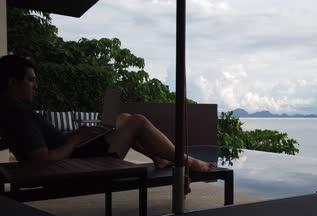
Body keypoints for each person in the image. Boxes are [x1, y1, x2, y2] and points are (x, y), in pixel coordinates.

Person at [0, 55, 215, 175]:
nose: (35, 86)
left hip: (76, 149)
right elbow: (42, 161)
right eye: (30, 80)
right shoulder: (20, 113)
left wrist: (79, 135)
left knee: (122, 116)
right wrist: (75, 139)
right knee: (137, 121)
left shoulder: (13, 111)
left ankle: (158, 157)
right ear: (12, 83)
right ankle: (189, 162)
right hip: (76, 158)